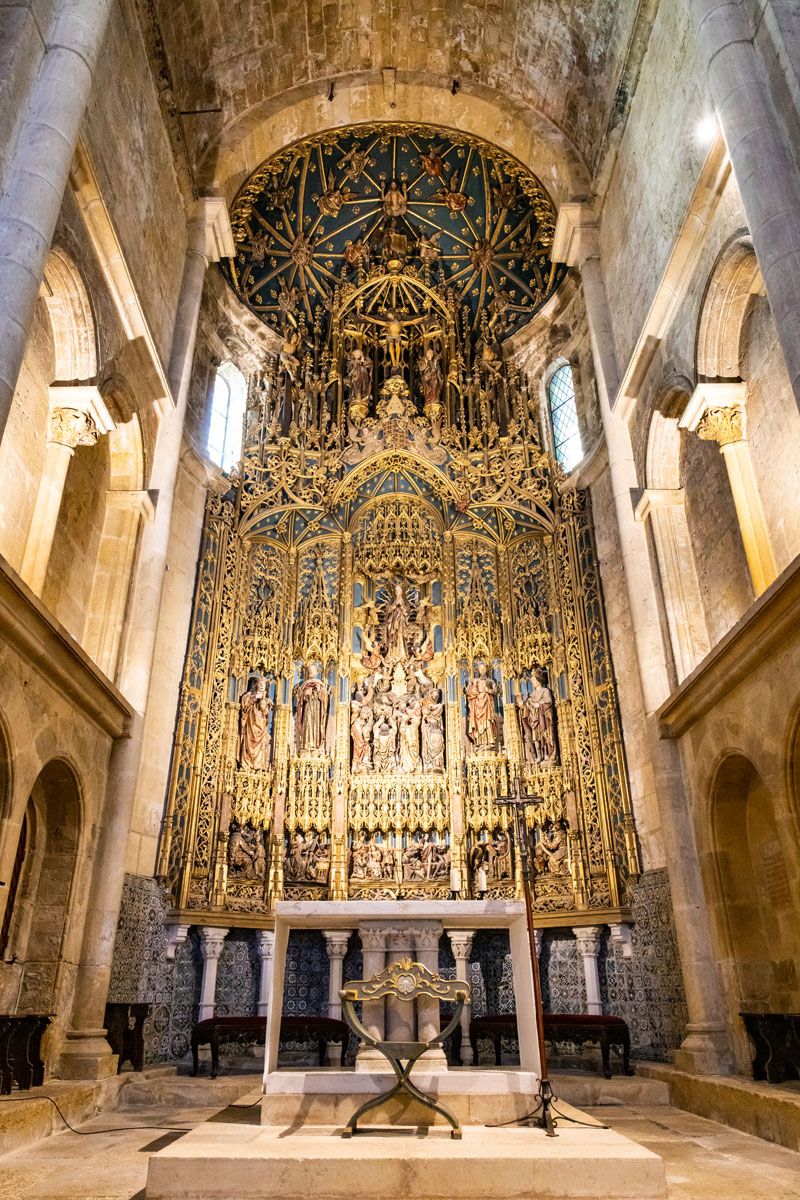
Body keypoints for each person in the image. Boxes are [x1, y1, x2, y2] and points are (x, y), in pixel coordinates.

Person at [237, 676, 272, 770]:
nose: (261, 685)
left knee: (261, 744)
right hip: (251, 723)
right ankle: (246, 764)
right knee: (248, 742)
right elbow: (244, 703)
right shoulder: (249, 695)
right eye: (260, 683)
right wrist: (255, 697)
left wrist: (264, 704)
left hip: (260, 725)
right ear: (256, 685)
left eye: (263, 684)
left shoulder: (267, 699)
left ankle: (258, 766)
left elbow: (266, 715)